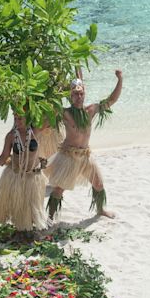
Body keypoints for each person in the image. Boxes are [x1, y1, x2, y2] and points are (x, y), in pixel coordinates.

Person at [45, 69, 122, 221]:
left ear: (84, 94)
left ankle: (100, 210)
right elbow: (47, 113)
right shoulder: (65, 113)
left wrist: (120, 80)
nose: (79, 97)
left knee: (99, 185)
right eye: (75, 94)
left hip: (85, 156)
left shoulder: (90, 110)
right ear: (70, 96)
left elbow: (112, 100)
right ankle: (50, 218)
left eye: (81, 94)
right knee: (58, 190)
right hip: (69, 157)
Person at [0, 116, 47, 237]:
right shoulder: (11, 136)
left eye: (20, 118)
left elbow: (52, 117)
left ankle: (28, 229)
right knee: (19, 207)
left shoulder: (36, 131)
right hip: (16, 175)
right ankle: (21, 230)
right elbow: (4, 156)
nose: (17, 121)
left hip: (33, 176)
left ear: (28, 117)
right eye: (15, 118)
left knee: (32, 206)